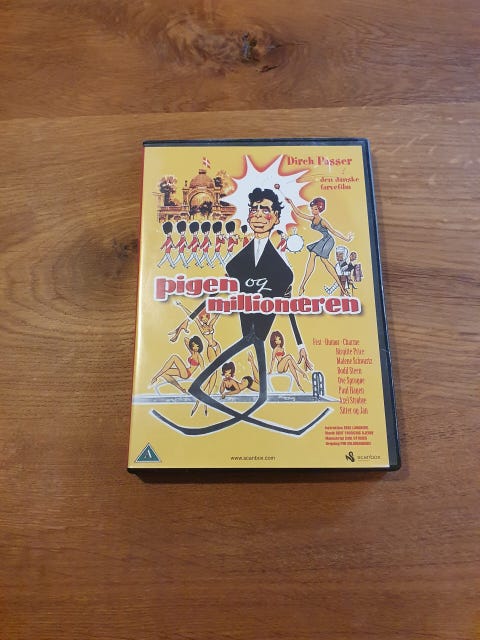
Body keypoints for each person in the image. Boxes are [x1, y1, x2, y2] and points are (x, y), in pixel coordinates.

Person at [164, 187, 315, 435]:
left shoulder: (282, 269)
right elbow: (217, 291)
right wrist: (188, 320)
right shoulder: (237, 262)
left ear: (276, 218)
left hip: (260, 333)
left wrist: (300, 346)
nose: (258, 215)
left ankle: (256, 419)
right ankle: (213, 409)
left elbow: (288, 307)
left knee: (261, 388)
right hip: (249, 332)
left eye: (265, 210)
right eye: (254, 210)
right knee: (247, 384)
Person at [285, 196, 353, 296]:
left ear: (320, 210)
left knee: (323, 260)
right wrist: (291, 203)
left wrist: (346, 239)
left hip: (328, 241)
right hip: (322, 240)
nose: (313, 210)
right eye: (312, 208)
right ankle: (302, 286)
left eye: (315, 209)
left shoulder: (323, 221)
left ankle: (341, 288)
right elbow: (299, 213)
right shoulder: (312, 218)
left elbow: (333, 231)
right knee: (313, 255)